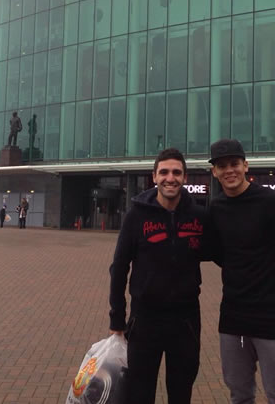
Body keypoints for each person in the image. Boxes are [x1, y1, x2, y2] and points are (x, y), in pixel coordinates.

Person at [209, 138, 275, 404]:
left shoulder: (272, 202)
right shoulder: (216, 209)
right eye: (222, 166)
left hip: (273, 320)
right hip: (232, 320)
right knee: (239, 395)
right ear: (214, 171)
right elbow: (219, 254)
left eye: (234, 163)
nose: (229, 170)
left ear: (246, 166)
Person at [109, 148, 210, 404]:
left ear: (185, 178)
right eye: (164, 172)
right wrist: (117, 319)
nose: (170, 178)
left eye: (176, 172)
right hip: (145, 320)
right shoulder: (136, 216)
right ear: (154, 177)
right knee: (140, 394)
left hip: (186, 320)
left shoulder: (198, 216)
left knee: (181, 393)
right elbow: (119, 267)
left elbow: (225, 253)